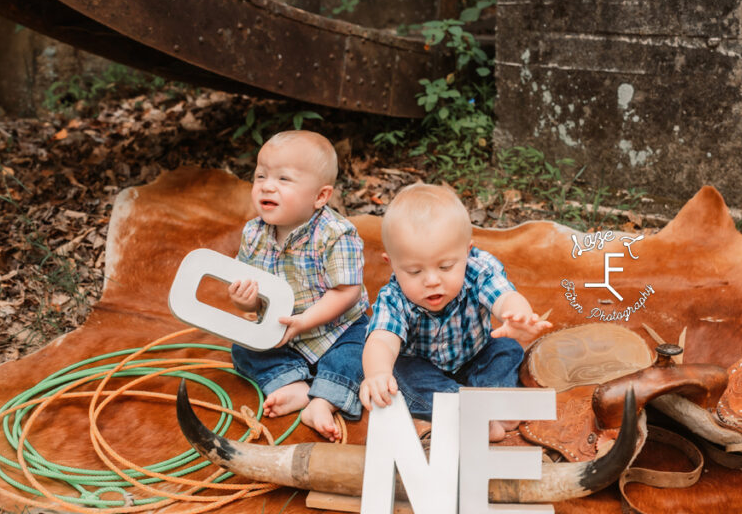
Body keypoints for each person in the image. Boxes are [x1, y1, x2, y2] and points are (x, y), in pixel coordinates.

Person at [359, 183, 552, 441]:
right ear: (391, 263)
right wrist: (377, 374)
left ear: (467, 253)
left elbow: (504, 296)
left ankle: (494, 397)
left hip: (475, 352)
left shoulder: (477, 270)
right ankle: (466, 412)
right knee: (400, 376)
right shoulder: (393, 299)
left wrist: (517, 315)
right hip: (422, 365)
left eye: (446, 266)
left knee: (506, 349)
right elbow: (382, 339)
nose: (431, 280)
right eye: (414, 271)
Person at [228, 130, 367, 441]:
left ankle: (324, 400)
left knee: (362, 352)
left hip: (336, 329)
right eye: (260, 175)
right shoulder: (254, 233)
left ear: (320, 196)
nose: (266, 185)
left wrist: (305, 321)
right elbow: (252, 291)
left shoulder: (336, 234)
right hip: (281, 331)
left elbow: (347, 292)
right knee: (242, 347)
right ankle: (293, 385)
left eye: (283, 179)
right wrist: (245, 301)